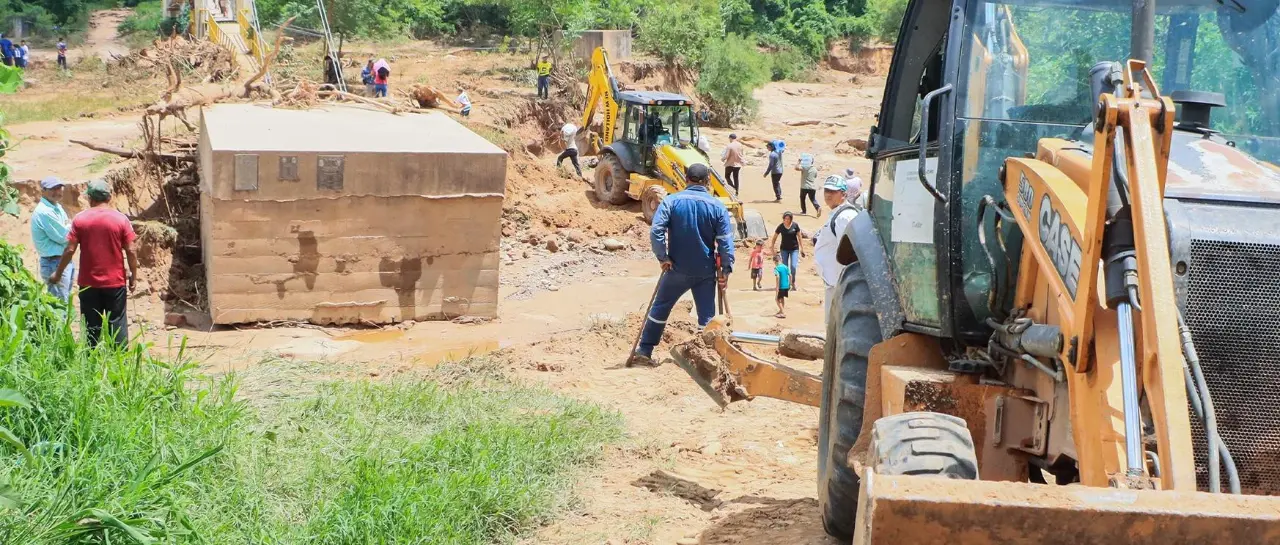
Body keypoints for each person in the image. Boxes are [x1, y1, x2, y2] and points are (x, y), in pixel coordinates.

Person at [629, 163, 735, 366]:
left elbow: (656, 231)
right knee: (707, 317)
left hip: (676, 267)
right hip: (705, 270)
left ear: (686, 179)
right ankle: (707, 359)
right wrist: (726, 269)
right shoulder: (717, 206)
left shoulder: (671, 201)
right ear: (707, 182)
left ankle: (645, 350)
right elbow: (725, 241)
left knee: (660, 308)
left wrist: (663, 257)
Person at [49, 180, 138, 346]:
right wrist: (133, 275)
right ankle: (120, 365)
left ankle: (90, 363)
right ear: (109, 197)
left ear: (90, 198)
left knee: (91, 326)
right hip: (115, 282)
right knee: (117, 323)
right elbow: (131, 250)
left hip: (88, 283)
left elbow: (70, 250)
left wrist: (58, 273)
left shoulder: (80, 219)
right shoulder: (121, 219)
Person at [813, 175, 861, 314]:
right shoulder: (837, 213)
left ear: (843, 194)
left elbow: (851, 252)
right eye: (826, 190)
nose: (828, 194)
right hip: (834, 282)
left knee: (835, 325)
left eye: (833, 191)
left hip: (840, 284)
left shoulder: (844, 217)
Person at [30, 177, 75, 301]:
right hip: (53, 263)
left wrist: (68, 227)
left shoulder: (56, 207)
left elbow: (67, 229)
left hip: (62, 260)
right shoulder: (45, 212)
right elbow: (63, 237)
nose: (57, 192)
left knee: (65, 300)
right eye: (52, 189)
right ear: (43, 190)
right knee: (59, 304)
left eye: (59, 188)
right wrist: (71, 226)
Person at [769, 211, 803, 286]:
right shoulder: (781, 226)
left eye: (788, 219)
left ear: (791, 219)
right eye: (785, 219)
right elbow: (774, 237)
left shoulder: (795, 225)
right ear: (783, 219)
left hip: (794, 249)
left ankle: (793, 282)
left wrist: (802, 248)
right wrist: (772, 246)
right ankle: (786, 283)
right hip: (784, 249)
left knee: (793, 267)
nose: (787, 220)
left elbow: (799, 237)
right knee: (785, 267)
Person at [796, 152, 820, 217]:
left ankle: (804, 211)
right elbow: (815, 176)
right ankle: (818, 208)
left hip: (804, 186)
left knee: (802, 198)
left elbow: (796, 168)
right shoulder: (815, 169)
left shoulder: (805, 168)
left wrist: (799, 161)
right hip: (812, 187)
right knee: (813, 199)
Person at [774, 253, 791, 319]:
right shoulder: (785, 267)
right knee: (782, 298)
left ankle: (783, 312)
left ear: (775, 261)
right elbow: (790, 275)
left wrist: (777, 287)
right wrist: (790, 283)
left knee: (776, 299)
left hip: (780, 286)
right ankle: (781, 310)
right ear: (780, 260)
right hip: (786, 286)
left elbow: (777, 277)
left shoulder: (776, 268)